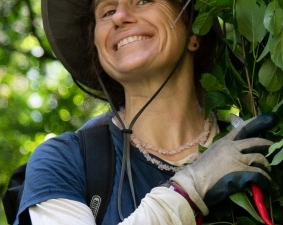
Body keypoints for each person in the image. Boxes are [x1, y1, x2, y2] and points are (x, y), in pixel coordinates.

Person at [14, 0, 276, 224]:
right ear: (99, 50)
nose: (120, 16)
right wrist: (189, 189)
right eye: (107, 11)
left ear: (194, 33)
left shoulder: (261, 147)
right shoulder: (64, 161)